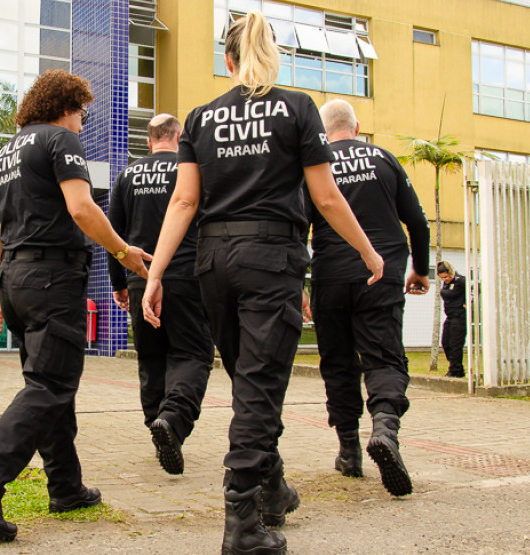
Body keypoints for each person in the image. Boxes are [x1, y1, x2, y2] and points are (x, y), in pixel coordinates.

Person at [141, 12, 384, 555]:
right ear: (273, 56)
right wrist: (368, 250)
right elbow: (325, 197)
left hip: (212, 262)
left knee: (248, 382)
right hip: (270, 257)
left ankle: (273, 493)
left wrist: (156, 271)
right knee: (258, 389)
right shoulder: (297, 108)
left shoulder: (200, 118)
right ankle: (241, 523)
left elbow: (183, 202)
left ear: (227, 61)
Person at [0, 69, 151, 542]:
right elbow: (82, 208)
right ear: (65, 105)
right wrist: (124, 252)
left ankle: (65, 486)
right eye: (82, 112)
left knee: (50, 383)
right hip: (51, 280)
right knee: (51, 385)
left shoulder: (5, 154)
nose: (82, 122)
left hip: (16, 280)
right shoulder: (60, 140)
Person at [307, 99, 430, 497]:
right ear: (356, 127)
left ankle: (349, 452)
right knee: (384, 357)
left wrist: (299, 283)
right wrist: (421, 269)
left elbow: (297, 224)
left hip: (330, 277)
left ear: (324, 132)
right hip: (381, 275)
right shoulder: (384, 159)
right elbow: (417, 221)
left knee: (338, 363)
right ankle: (384, 430)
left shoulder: (314, 163)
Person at [107, 114, 214, 475]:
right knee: (193, 353)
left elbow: (115, 235)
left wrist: (119, 283)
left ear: (149, 140)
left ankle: (157, 423)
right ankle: (173, 420)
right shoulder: (189, 168)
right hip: (187, 275)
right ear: (178, 136)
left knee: (151, 357)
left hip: (141, 277)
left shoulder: (126, 175)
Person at [437, 261, 467, 378]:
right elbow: (446, 294)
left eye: (446, 277)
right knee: (446, 343)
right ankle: (455, 366)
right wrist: (447, 292)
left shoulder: (461, 281)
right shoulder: (446, 285)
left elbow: (451, 294)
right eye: (442, 278)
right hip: (450, 317)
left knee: (455, 344)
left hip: (459, 317)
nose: (445, 280)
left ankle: (456, 370)